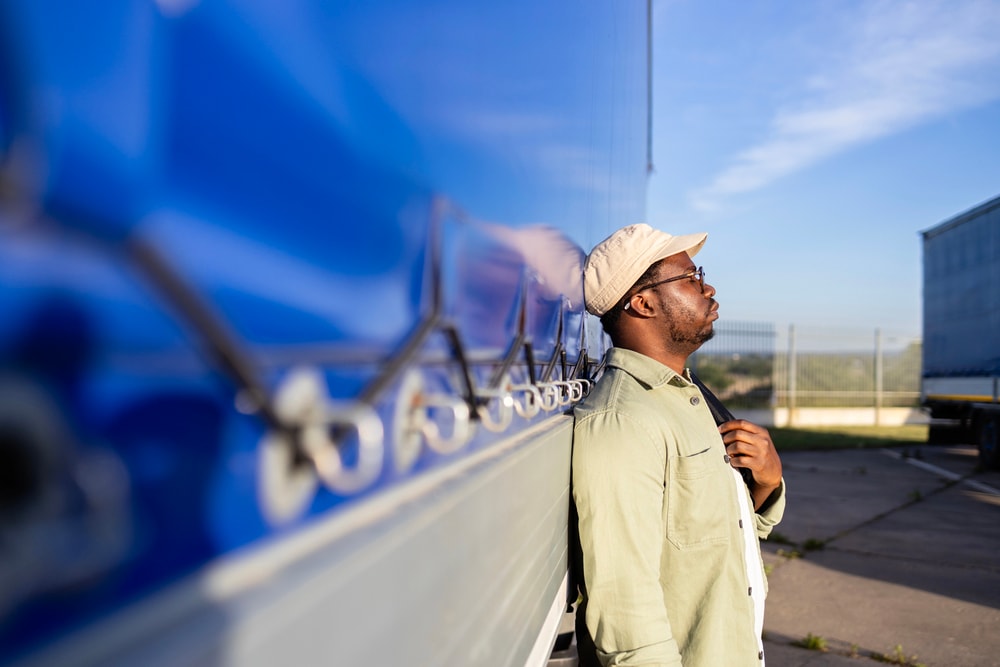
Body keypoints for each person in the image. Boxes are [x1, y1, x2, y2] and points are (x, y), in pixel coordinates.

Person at [571, 223, 785, 666]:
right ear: (643, 303)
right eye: (690, 277)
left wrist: (767, 483)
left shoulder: (687, 396)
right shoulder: (622, 421)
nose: (708, 288)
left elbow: (719, 538)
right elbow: (625, 610)